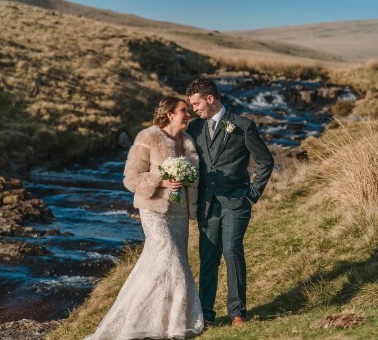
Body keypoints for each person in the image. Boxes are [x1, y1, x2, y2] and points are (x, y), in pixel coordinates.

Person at [85, 96, 203, 339]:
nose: (188, 114)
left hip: (180, 213)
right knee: (173, 263)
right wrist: (161, 181)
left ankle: (159, 323)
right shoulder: (147, 137)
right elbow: (131, 178)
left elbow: (193, 180)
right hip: (155, 212)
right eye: (183, 110)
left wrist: (187, 182)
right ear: (170, 114)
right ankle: (173, 326)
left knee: (158, 266)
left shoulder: (189, 141)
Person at [185, 77, 274, 328]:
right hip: (207, 205)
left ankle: (237, 313)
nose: (195, 108)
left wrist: (252, 194)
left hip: (237, 203)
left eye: (196, 103)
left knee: (232, 251)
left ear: (210, 99)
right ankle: (206, 315)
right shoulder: (194, 129)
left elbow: (265, 162)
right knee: (208, 257)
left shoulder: (243, 126)